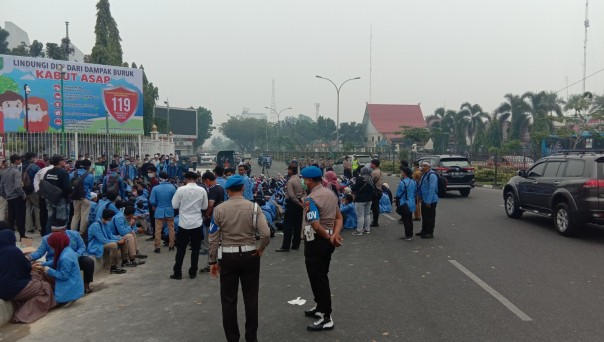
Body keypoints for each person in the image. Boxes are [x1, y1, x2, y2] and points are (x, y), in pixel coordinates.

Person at [208, 175, 271, 342]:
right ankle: (251, 337)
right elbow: (265, 233)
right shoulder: (254, 207)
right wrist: (261, 248)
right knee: (251, 299)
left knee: (228, 300)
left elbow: (213, 237)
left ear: (228, 191)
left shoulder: (219, 210)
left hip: (228, 256)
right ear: (243, 188)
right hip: (250, 255)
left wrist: (213, 261)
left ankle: (233, 338)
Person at [300, 166, 343, 331]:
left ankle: (326, 317)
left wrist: (327, 236)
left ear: (310, 180)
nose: (304, 182)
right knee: (319, 274)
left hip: (317, 241)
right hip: (328, 240)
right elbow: (339, 217)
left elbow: (316, 225)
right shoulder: (330, 193)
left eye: (304, 180)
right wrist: (334, 235)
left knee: (319, 278)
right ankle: (319, 306)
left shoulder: (311, 199)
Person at [0, 229, 56, 323]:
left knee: (35, 280)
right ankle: (21, 316)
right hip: (13, 288)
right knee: (44, 287)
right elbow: (26, 268)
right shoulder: (13, 251)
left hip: (3, 290)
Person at [29, 221, 95, 294]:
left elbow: (82, 247)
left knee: (88, 262)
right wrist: (28, 258)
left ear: (64, 229)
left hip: (73, 258)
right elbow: (39, 252)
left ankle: (86, 286)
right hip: (54, 262)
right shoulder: (47, 238)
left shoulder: (74, 234)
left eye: (58, 232)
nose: (55, 234)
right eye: (54, 232)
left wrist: (76, 255)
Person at [171, 171, 208, 280]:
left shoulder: (180, 190)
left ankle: (177, 273)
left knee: (181, 249)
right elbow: (205, 206)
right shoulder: (202, 190)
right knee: (195, 249)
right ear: (196, 179)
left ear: (186, 179)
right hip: (197, 223)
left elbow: (174, 205)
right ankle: (193, 272)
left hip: (184, 223)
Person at [36, 231, 84, 305]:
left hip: (70, 286)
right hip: (74, 282)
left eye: (52, 245)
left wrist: (46, 269)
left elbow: (64, 276)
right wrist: (42, 264)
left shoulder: (65, 257)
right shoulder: (67, 250)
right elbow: (57, 262)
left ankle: (67, 298)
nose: (51, 247)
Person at [87, 209, 127, 274]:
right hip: (96, 245)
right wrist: (117, 242)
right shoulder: (96, 225)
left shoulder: (105, 223)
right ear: (109, 217)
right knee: (114, 245)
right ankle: (113, 267)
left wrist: (119, 238)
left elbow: (110, 235)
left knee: (123, 239)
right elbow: (102, 240)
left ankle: (125, 261)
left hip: (102, 242)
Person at [276, 164, 304, 252]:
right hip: (299, 203)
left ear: (291, 171)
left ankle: (285, 246)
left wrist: (298, 203)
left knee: (288, 226)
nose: (287, 172)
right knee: (297, 225)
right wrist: (301, 202)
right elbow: (304, 192)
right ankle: (296, 245)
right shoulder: (300, 180)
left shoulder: (290, 181)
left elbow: (291, 196)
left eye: (288, 170)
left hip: (292, 204)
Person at [0, 154, 27, 240]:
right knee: (20, 217)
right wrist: (23, 195)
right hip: (18, 197)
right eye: (19, 160)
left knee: (11, 217)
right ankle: (22, 235)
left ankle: (10, 235)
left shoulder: (4, 171)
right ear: (16, 161)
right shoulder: (16, 172)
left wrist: (5, 195)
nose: (20, 161)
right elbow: (18, 186)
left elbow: (1, 186)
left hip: (9, 197)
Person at [43, 155, 71, 234]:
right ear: (59, 162)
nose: (64, 162)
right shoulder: (63, 173)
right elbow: (67, 188)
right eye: (63, 160)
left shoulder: (48, 172)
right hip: (61, 199)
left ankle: (48, 236)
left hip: (50, 198)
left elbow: (44, 184)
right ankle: (61, 237)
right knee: (62, 219)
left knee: (50, 218)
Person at [150, 171, 177, 253]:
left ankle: (157, 247)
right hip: (169, 210)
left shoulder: (155, 188)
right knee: (171, 229)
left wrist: (156, 204)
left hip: (159, 210)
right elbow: (175, 200)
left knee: (158, 230)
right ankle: (171, 245)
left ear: (159, 178)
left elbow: (152, 201)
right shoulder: (172, 187)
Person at [69, 159, 95, 235]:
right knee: (84, 216)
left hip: (75, 197)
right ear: (89, 166)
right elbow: (91, 186)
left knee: (76, 215)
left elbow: (69, 183)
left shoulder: (73, 173)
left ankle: (72, 232)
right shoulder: (90, 175)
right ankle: (81, 233)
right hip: (85, 197)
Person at [418, 161, 439, 239]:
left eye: (425, 166)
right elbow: (421, 186)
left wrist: (428, 201)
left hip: (431, 200)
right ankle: (424, 230)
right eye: (423, 166)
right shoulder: (424, 174)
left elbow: (432, 189)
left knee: (430, 217)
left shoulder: (432, 175)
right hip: (424, 199)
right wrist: (420, 196)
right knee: (424, 216)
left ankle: (430, 232)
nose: (423, 167)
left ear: (429, 167)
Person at [351, 166, 374, 236]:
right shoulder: (370, 178)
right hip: (369, 199)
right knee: (367, 214)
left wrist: (352, 186)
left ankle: (359, 231)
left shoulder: (360, 178)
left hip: (360, 200)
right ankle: (367, 229)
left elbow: (354, 188)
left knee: (360, 216)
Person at [22, 152, 41, 235]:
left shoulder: (21, 166)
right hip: (34, 190)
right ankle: (39, 226)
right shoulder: (35, 167)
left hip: (24, 190)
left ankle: (29, 227)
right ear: (32, 158)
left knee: (27, 209)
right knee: (37, 208)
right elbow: (40, 178)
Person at [396, 168, 417, 240]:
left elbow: (398, 194)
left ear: (404, 173)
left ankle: (407, 235)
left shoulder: (402, 182)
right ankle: (410, 235)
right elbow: (415, 192)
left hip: (404, 202)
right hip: (412, 202)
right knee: (410, 219)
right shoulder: (413, 182)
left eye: (402, 172)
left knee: (405, 220)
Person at [370, 159, 384, 227]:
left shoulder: (374, 172)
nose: (370, 164)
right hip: (379, 191)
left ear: (374, 164)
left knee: (374, 207)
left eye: (371, 163)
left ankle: (375, 222)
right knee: (376, 206)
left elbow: (370, 181)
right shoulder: (380, 171)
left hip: (375, 192)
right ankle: (375, 221)